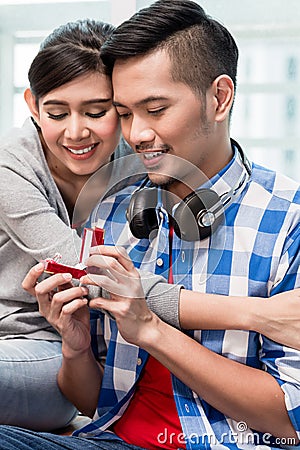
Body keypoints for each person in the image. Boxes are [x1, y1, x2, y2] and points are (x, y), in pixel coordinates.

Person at [1, 1, 299, 449]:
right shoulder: (111, 209)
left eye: (155, 109)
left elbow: (291, 419)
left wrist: (153, 330)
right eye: (124, 113)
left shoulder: (286, 220)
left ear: (219, 98)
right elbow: (94, 400)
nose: (136, 133)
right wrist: (76, 347)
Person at [0, 18, 148, 431]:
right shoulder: (10, 165)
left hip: (54, 351)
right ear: (33, 104)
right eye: (56, 112)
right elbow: (89, 271)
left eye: (97, 111)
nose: (76, 131)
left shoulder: (141, 163)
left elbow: (110, 281)